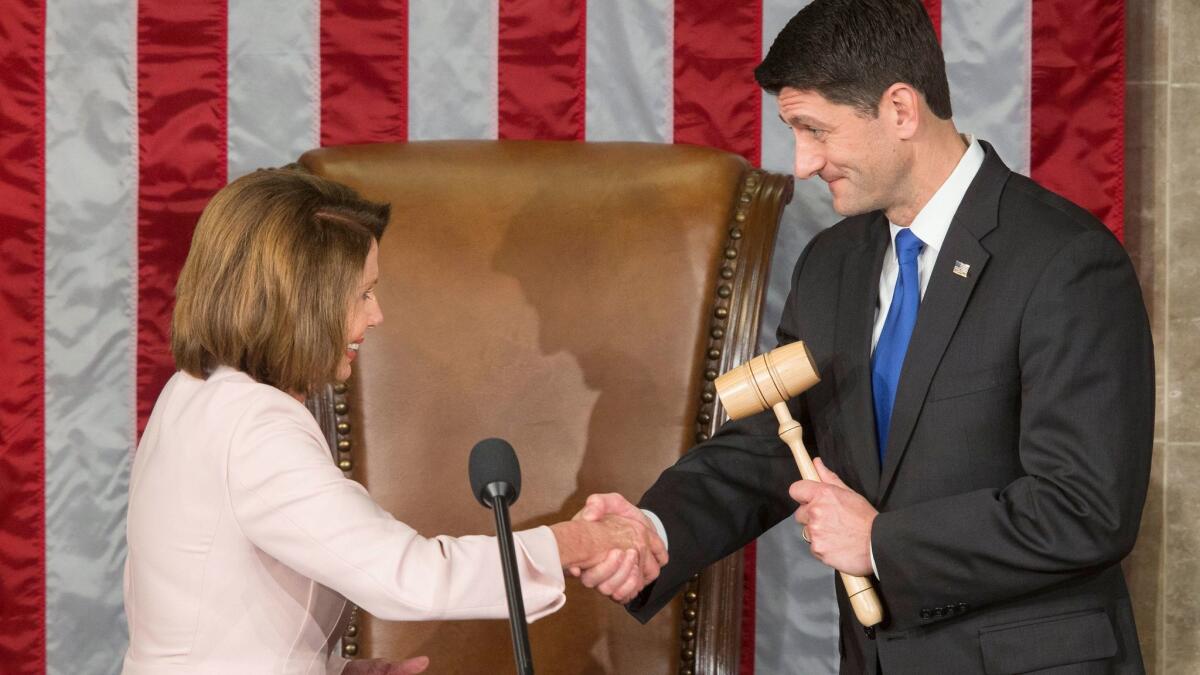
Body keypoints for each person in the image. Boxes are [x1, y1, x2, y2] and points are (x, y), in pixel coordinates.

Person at [572, 0, 1154, 672]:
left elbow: (1085, 507)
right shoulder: (832, 263)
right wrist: (651, 529)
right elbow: (772, 443)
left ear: (901, 110)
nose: (801, 162)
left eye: (815, 130)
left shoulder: (1065, 261)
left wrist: (883, 541)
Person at [121, 169, 667, 675]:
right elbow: (412, 578)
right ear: (301, 302)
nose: (376, 315)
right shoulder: (254, 426)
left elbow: (211, 621)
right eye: (361, 293)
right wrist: (581, 540)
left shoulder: (196, 394)